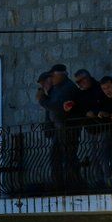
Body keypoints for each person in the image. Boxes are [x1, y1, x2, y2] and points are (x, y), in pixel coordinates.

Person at [37, 63, 81, 191]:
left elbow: (58, 107)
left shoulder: (69, 88)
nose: (51, 78)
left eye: (53, 75)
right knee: (55, 156)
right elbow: (50, 110)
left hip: (68, 128)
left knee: (69, 157)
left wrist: (42, 101)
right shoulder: (56, 88)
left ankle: (73, 185)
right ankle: (59, 184)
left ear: (61, 74)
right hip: (58, 129)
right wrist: (48, 127)